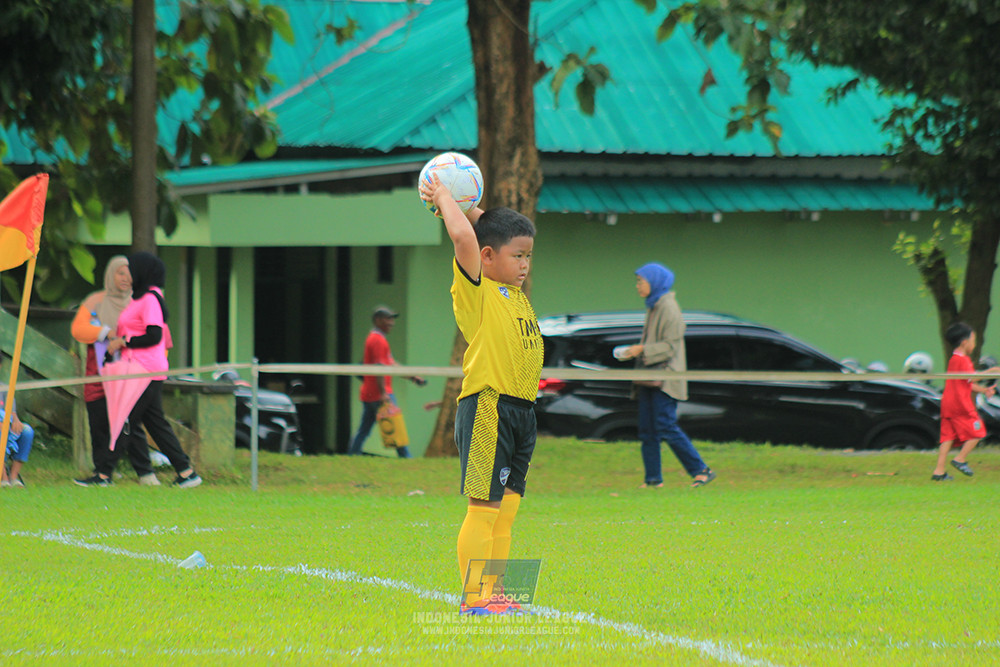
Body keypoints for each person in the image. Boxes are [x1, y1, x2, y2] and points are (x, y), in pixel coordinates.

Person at [420, 175, 543, 616]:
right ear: (488, 258)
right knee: (485, 507)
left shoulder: (512, 289)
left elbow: (485, 230)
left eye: (529, 256)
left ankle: (498, 594)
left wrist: (473, 205)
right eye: (518, 256)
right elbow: (464, 236)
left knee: (506, 511)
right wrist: (444, 198)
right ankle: (476, 599)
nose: (526, 264)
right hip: (489, 407)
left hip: (522, 411)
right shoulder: (478, 288)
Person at [74, 252, 202, 488]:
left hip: (145, 371)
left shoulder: (151, 299)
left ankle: (104, 475)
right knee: (154, 423)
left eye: (132, 269)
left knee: (124, 419)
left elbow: (155, 335)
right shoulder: (141, 298)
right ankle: (186, 472)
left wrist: (124, 341)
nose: (129, 274)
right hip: (140, 369)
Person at [618, 263, 715, 489]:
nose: (638, 286)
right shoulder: (654, 305)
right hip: (650, 377)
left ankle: (701, 470)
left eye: (641, 281)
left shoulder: (668, 307)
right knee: (647, 429)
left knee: (665, 425)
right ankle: (653, 480)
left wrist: (642, 350)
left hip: (666, 378)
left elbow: (670, 346)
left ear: (655, 282)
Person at [70, 256, 157, 485]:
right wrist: (105, 333)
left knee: (130, 422)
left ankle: (145, 473)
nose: (125, 278)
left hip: (131, 373)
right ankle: (103, 472)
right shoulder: (95, 300)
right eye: (120, 273)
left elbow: (154, 333)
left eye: (129, 273)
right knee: (99, 423)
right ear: (111, 274)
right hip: (98, 372)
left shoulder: (141, 302)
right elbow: (78, 329)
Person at [347, 305, 425, 458]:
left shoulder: (376, 339)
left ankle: (351, 455)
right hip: (380, 394)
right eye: (388, 319)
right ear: (378, 320)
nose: (392, 323)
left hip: (369, 394)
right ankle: (406, 459)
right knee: (396, 426)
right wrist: (383, 393)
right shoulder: (377, 340)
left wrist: (412, 377)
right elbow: (380, 367)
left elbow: (391, 364)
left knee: (364, 430)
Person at [932, 322, 1000, 481]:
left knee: (947, 437)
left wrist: (983, 390)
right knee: (978, 432)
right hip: (960, 405)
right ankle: (960, 459)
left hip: (948, 405)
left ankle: (939, 472)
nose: (974, 344)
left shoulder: (954, 360)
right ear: (965, 342)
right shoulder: (962, 360)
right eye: (973, 340)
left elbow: (966, 382)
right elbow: (972, 377)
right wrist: (991, 371)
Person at [0, 386, 34, 488]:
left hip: (6, 424)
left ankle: (13, 477)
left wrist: (15, 421)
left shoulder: (4, 387)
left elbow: (12, 413)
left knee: (27, 431)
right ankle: (3, 477)